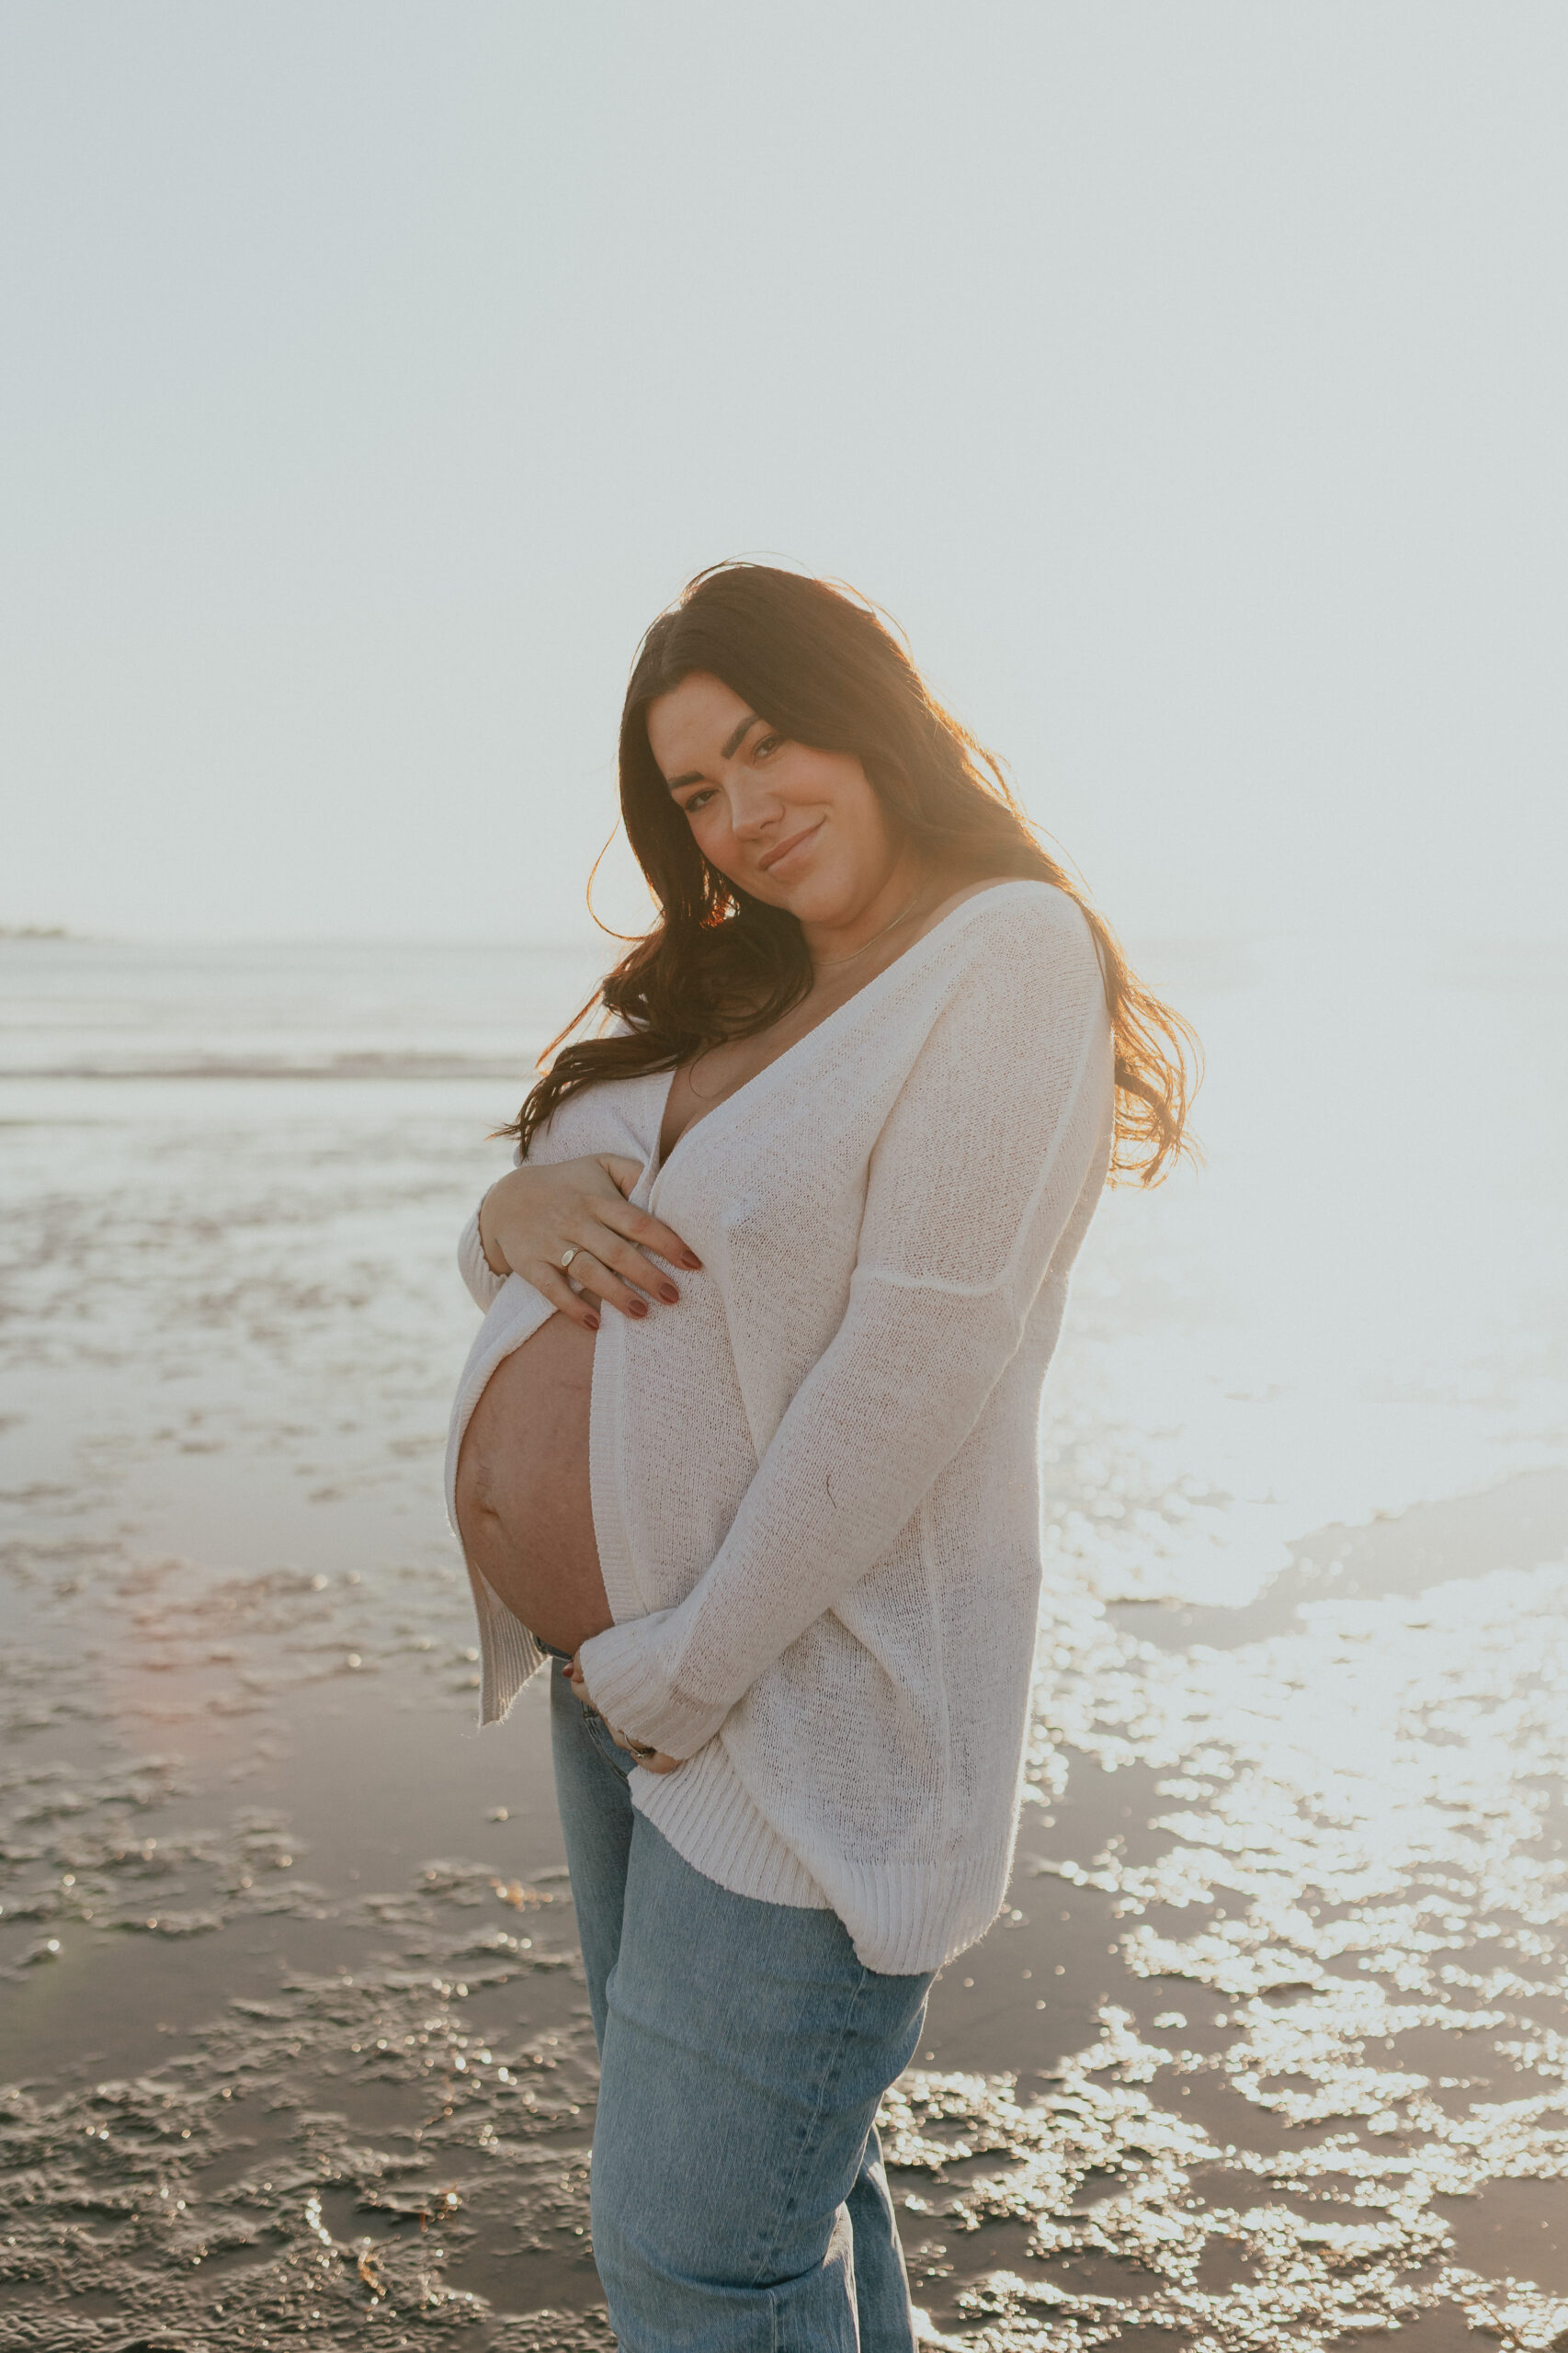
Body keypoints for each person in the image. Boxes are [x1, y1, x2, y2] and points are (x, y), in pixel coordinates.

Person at [446, 563, 1196, 2350]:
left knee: (698, 2255)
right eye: (695, 791)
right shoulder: (735, 972)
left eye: (766, 748)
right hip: (624, 1684)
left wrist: (678, 1669)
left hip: (786, 1698)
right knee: (797, 2192)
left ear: (874, 715)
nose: (742, 812)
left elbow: (907, 1372)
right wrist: (501, 1207)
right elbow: (562, 1221)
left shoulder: (1005, 950)